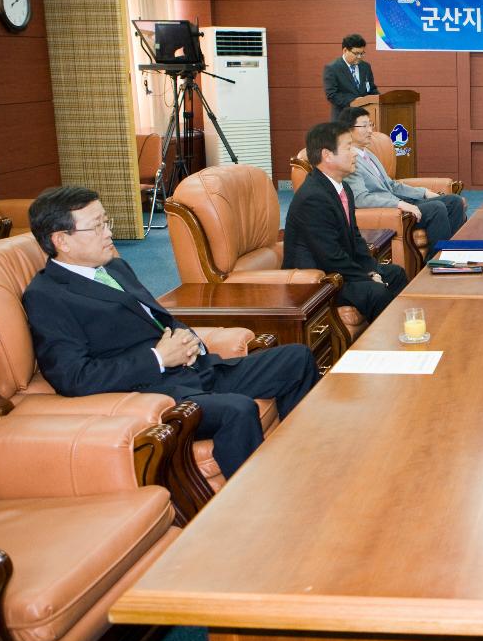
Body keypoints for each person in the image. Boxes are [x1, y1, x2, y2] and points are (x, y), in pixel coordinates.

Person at [22, 186, 319, 479]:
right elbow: (74, 377)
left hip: (196, 369)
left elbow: (157, 318)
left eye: (106, 222)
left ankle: (301, 460)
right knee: (236, 409)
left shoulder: (114, 267)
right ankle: (256, 502)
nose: (109, 233)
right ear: (62, 240)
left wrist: (188, 340)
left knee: (297, 358)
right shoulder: (47, 296)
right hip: (154, 393)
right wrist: (159, 358)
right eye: (96, 226)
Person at [284, 121, 407, 322]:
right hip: (319, 280)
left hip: (339, 269)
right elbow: (329, 256)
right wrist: (366, 277)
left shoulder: (342, 188)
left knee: (395, 274)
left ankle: (399, 331)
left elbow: (356, 240)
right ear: (327, 155)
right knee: (376, 293)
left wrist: (372, 270)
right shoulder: (312, 197)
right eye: (348, 147)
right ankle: (384, 345)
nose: (355, 153)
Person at [337, 105, 465, 246]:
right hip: (390, 211)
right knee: (437, 208)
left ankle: (452, 251)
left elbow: (391, 185)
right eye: (364, 126)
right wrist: (399, 204)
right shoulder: (349, 161)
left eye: (371, 125)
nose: (370, 130)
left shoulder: (369, 154)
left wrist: (424, 193)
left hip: (400, 203)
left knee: (454, 201)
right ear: (348, 129)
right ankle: (438, 260)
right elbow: (361, 199)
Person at [323, 33, 378, 116]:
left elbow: (372, 89)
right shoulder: (332, 68)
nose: (359, 57)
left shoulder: (365, 66)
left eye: (362, 53)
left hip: (365, 116)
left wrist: (379, 100)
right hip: (343, 117)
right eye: (356, 53)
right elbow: (332, 95)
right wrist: (354, 101)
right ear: (345, 50)